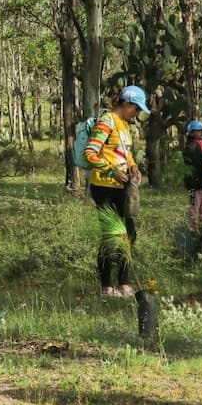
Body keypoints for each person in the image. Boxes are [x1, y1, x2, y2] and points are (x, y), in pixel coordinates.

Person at [82, 85, 148, 299]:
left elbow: (124, 153)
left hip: (122, 187)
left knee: (128, 234)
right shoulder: (107, 121)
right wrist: (111, 171)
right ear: (126, 103)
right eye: (136, 109)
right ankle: (107, 286)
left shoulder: (124, 126)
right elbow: (90, 153)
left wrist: (133, 166)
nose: (136, 114)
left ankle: (124, 283)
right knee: (112, 235)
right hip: (105, 187)